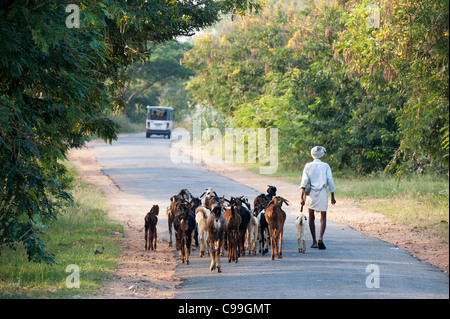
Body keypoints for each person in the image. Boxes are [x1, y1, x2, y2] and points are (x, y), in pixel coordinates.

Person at [299, 146, 336, 250]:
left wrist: (302, 197)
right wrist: (332, 195)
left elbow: (304, 181)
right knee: (323, 217)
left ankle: (314, 241)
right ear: (322, 155)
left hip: (311, 194)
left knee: (311, 216)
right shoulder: (326, 166)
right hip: (323, 192)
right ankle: (321, 237)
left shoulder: (308, 165)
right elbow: (330, 180)